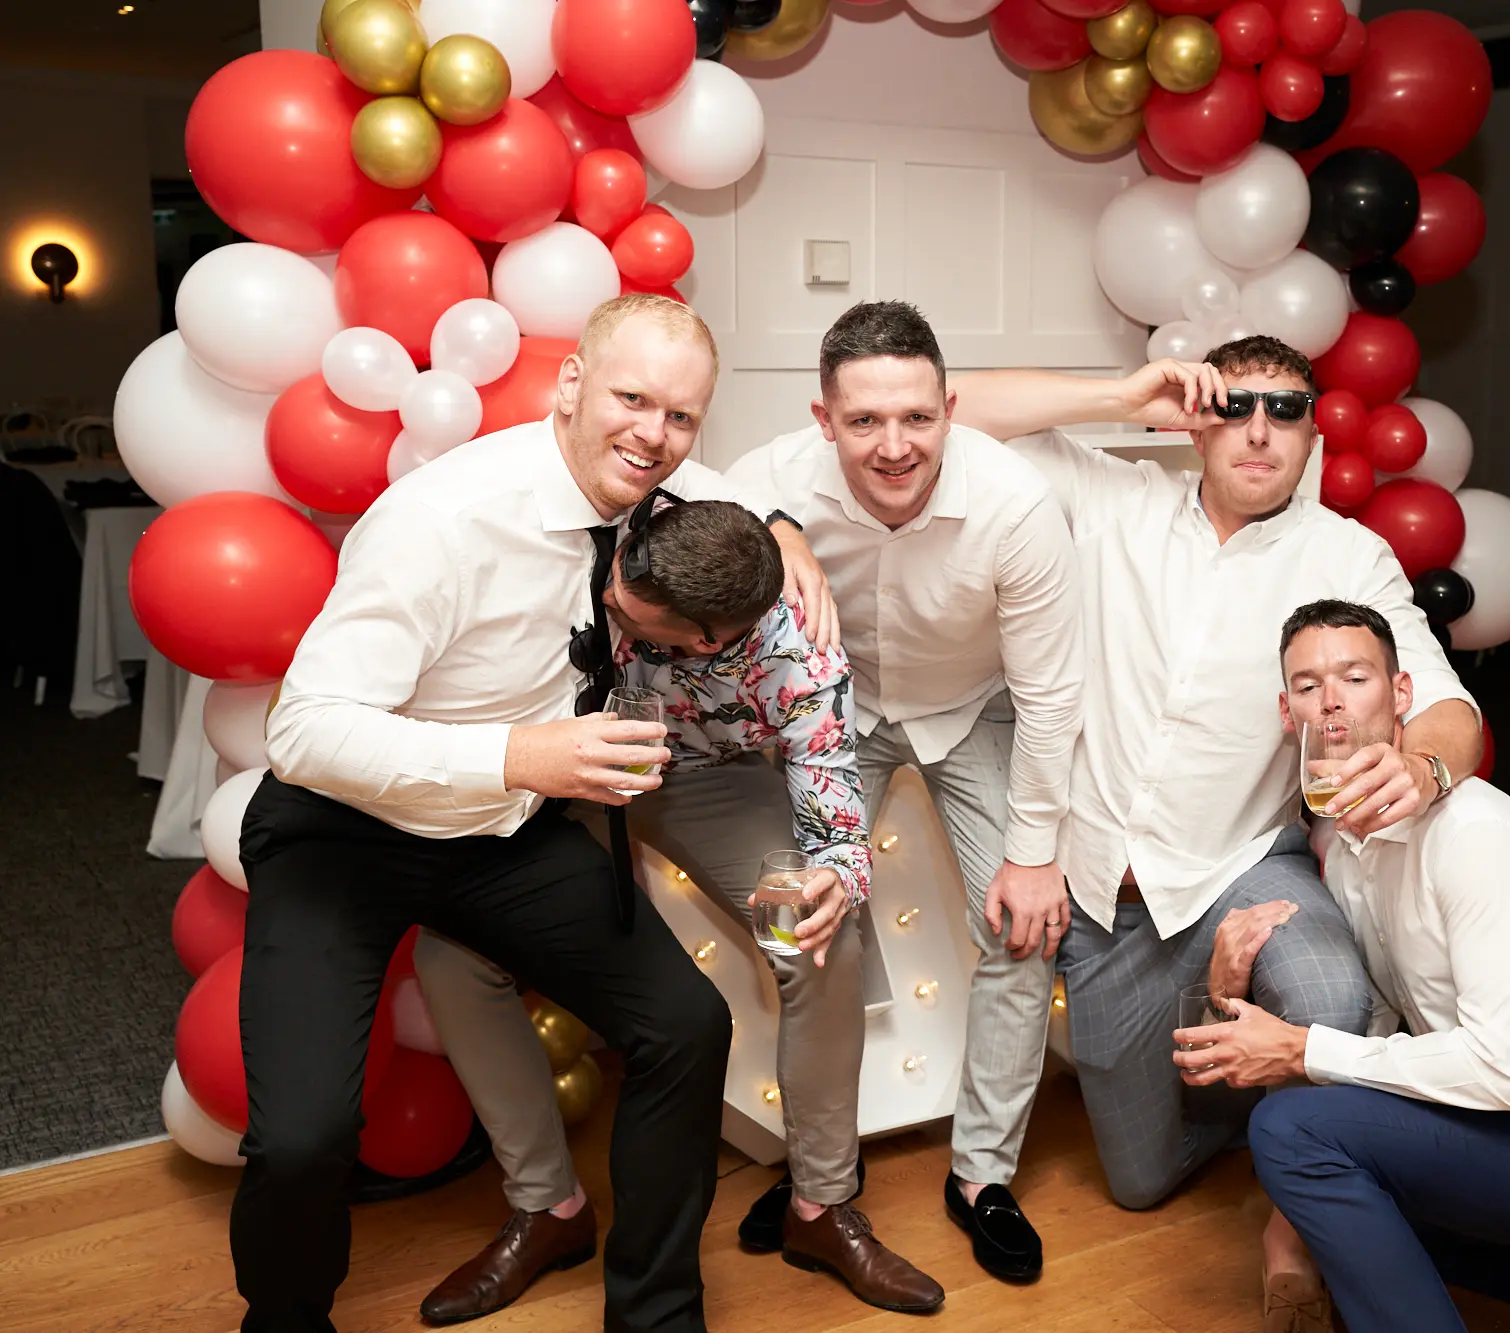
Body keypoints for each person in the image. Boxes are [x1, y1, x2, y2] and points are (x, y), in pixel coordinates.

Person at [235, 293, 832, 1333]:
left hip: (499, 833)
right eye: (632, 399)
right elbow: (304, 733)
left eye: (681, 416)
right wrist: (520, 753)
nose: (654, 435)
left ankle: (653, 1315)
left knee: (686, 1026)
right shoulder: (440, 523)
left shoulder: (656, 479)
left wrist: (785, 531)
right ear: (568, 387)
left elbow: (716, 485)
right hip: (340, 832)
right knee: (301, 1137)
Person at [948, 338, 1482, 1325]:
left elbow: (1447, 706)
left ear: (1311, 428)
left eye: (1284, 411)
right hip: (1107, 903)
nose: (1257, 430)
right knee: (1139, 1179)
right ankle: (1248, 1072)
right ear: (1196, 417)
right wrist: (1117, 393)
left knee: (1327, 990)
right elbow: (948, 412)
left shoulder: (1345, 555)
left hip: (1240, 871)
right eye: (1233, 405)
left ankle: (1301, 1215)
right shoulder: (1115, 502)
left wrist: (1422, 763)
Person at [412, 497, 945, 1321]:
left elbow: (827, 780)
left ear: (705, 638)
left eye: (628, 607)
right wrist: (784, 521)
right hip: (576, 777)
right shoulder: (627, 550)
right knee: (452, 956)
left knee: (816, 939)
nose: (610, 596)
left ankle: (820, 1208)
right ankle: (547, 1207)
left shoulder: (800, 657)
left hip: (712, 789)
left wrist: (838, 868)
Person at [1175, 599, 1510, 1333]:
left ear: (1401, 696)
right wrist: (1225, 990)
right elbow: (1386, 1039)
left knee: (1297, 1137)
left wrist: (1300, 1050)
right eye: (1306, 684)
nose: (1329, 699)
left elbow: (1503, 1071)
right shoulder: (1346, 852)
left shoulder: (1475, 835)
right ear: (1287, 713)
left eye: (1354, 676)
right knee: (1331, 1178)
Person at [724, 300, 1085, 1283]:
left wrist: (1034, 851)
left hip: (975, 709)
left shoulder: (1014, 504)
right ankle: (817, 1174)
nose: (893, 445)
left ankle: (981, 1175)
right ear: (821, 418)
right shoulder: (775, 474)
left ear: (949, 408)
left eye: (917, 419)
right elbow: (690, 488)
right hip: (837, 715)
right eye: (864, 421)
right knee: (806, 925)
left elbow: (1053, 694)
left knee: (1019, 924)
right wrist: (775, 525)